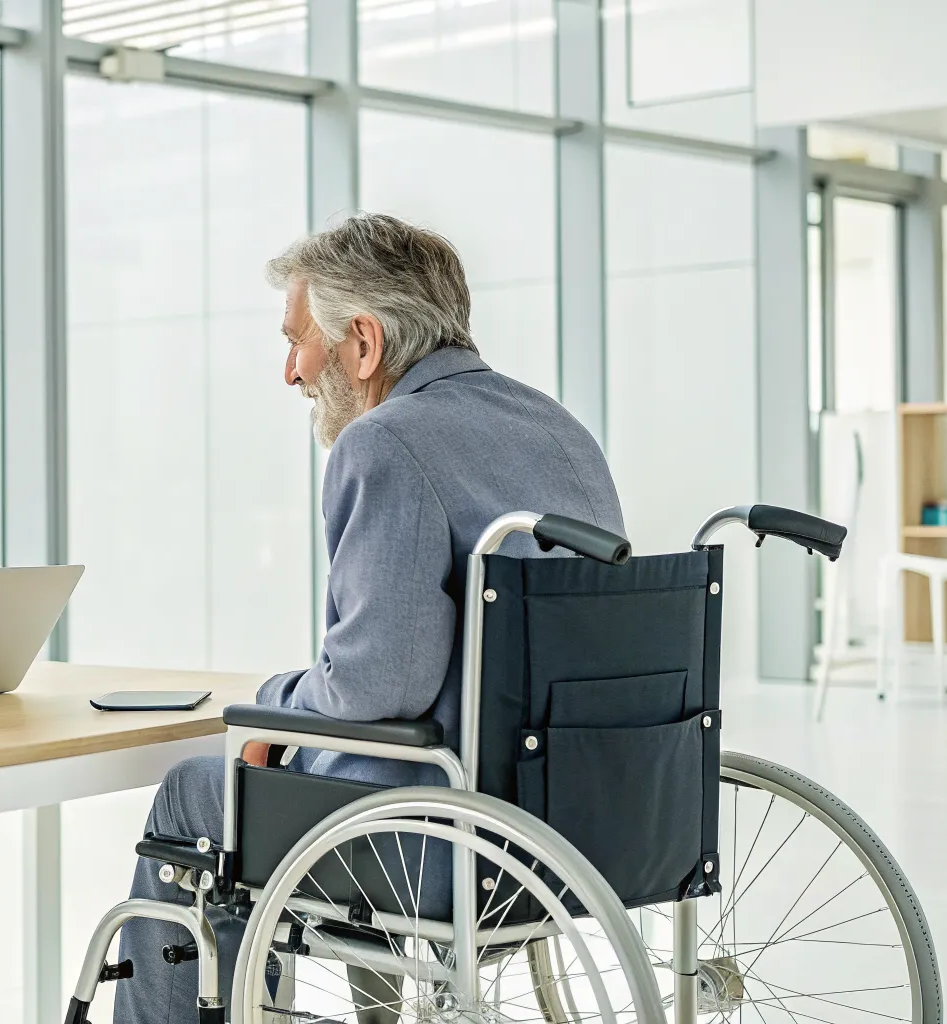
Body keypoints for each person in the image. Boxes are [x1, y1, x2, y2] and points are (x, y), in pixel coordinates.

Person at [113, 214, 626, 1024]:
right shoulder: (561, 430)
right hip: (585, 820)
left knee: (197, 793)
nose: (292, 372)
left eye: (299, 340)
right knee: (317, 772)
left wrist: (276, 703)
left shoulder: (386, 442)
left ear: (362, 343)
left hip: (450, 838)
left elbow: (378, 684)